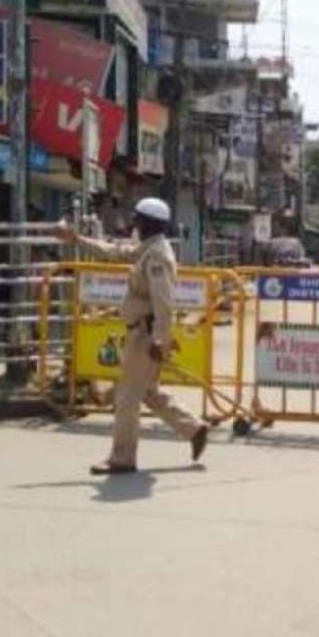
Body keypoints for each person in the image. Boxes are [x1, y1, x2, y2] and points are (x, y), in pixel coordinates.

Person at [56, 198, 208, 475]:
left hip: (145, 335)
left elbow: (164, 302)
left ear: (148, 223)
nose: (133, 224)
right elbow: (115, 253)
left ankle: (122, 458)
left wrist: (159, 340)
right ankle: (194, 428)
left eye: (137, 219)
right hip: (142, 331)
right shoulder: (147, 249)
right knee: (148, 392)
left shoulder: (158, 256)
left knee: (127, 397)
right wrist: (77, 239)